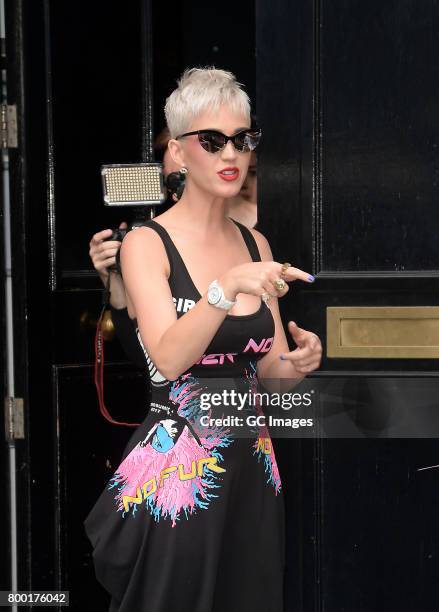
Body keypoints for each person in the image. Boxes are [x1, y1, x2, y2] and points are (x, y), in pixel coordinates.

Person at [84, 67, 322, 612]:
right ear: (179, 153)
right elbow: (167, 358)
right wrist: (223, 290)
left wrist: (301, 364)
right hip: (181, 472)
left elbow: (267, 372)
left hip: (252, 462)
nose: (229, 154)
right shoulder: (147, 243)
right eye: (211, 142)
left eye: (242, 139)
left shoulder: (254, 241)